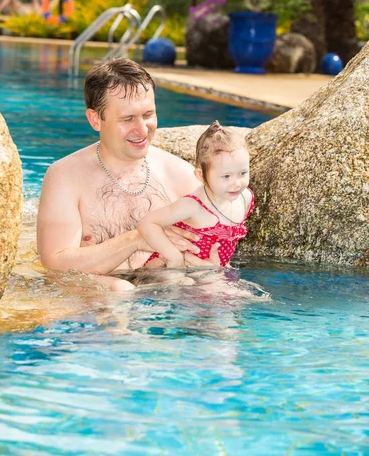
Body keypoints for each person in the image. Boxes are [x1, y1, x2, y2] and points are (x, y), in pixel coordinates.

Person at [37, 58, 218, 291]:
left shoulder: (182, 177)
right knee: (118, 292)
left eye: (148, 114)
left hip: (166, 301)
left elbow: (212, 250)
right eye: (127, 119)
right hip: (94, 303)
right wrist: (137, 239)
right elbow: (54, 264)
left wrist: (209, 267)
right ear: (95, 119)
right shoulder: (66, 177)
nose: (142, 129)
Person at [138, 121, 254, 270]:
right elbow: (147, 223)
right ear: (201, 175)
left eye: (242, 173)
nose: (236, 183)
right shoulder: (194, 206)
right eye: (226, 176)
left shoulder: (245, 198)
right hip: (167, 269)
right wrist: (175, 257)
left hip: (206, 270)